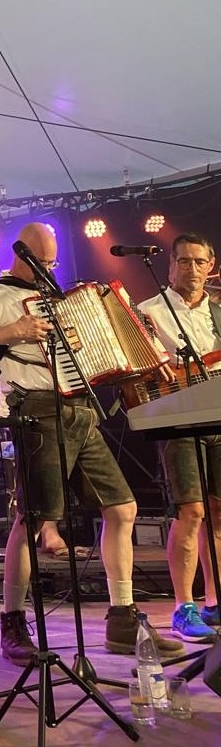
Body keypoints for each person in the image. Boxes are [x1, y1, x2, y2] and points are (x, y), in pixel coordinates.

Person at [0, 221, 182, 665]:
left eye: (54, 262)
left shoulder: (61, 300)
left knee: (122, 508)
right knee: (34, 520)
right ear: (21, 254)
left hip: (78, 408)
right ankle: (13, 621)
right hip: (35, 409)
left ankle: (121, 617)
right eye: (43, 261)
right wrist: (12, 331)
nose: (50, 270)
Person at [138, 232, 221, 641]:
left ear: (211, 266)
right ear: (169, 265)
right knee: (191, 511)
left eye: (199, 261)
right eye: (183, 261)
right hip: (178, 418)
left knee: (218, 513)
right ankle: (182, 606)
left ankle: (213, 602)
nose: (191, 269)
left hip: (218, 416)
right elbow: (134, 372)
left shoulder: (218, 312)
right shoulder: (147, 311)